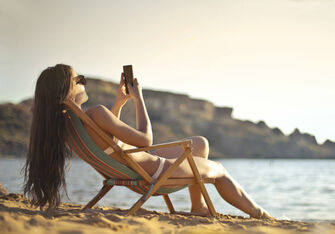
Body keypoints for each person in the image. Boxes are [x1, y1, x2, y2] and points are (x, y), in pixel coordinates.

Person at [23, 64, 274, 220]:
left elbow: (107, 141)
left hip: (133, 168)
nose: (83, 82)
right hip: (153, 172)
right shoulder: (95, 113)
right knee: (219, 171)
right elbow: (146, 140)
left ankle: (198, 207)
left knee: (199, 144)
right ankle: (260, 214)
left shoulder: (66, 125)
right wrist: (139, 98)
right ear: (67, 88)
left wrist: (120, 103)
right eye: (80, 79)